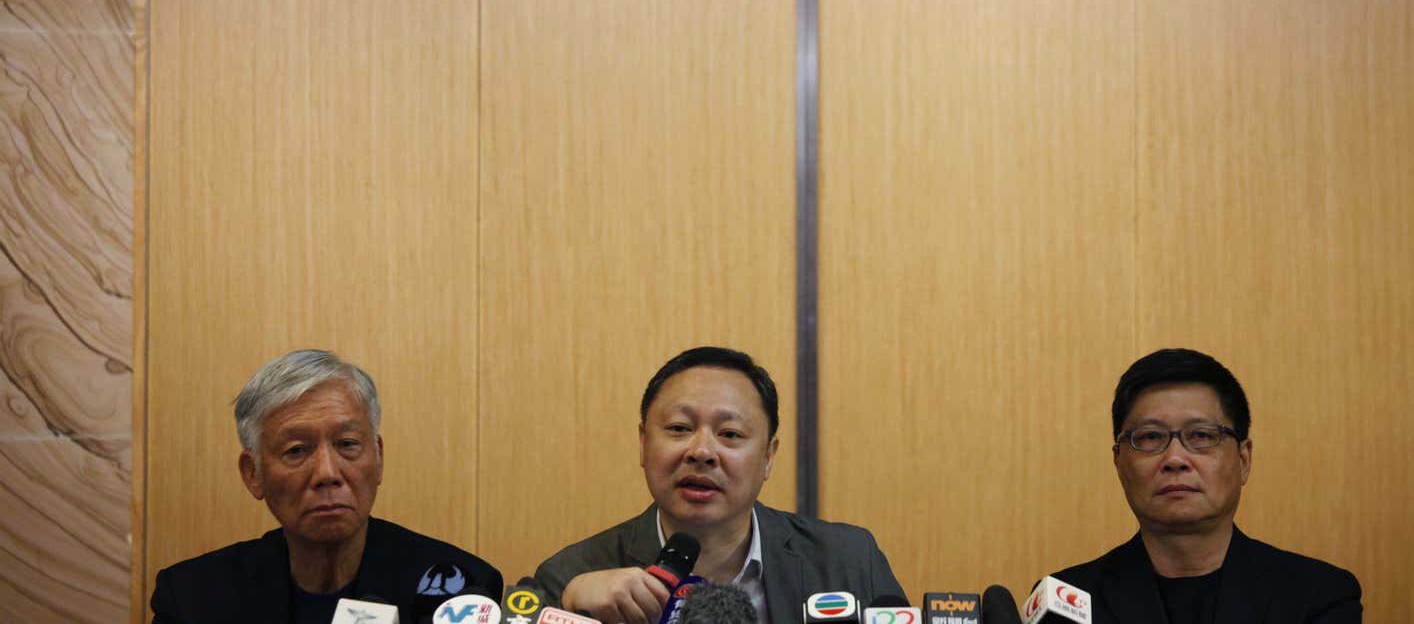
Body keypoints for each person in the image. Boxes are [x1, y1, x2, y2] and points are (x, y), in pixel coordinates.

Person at [529, 346, 902, 624]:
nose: (703, 451)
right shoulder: (570, 577)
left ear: (768, 457)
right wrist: (568, 608)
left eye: (730, 433)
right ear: (643, 443)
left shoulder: (849, 561)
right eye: (679, 428)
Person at [150, 349, 501, 623]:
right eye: (297, 450)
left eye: (347, 444)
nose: (327, 473)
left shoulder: (457, 590)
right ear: (252, 472)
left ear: (377, 457)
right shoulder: (193, 599)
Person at [1049, 348, 1361, 624]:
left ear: (1243, 460)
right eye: (1150, 437)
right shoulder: (1067, 605)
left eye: (1200, 436)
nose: (1175, 458)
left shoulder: (1318, 596)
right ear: (1119, 463)